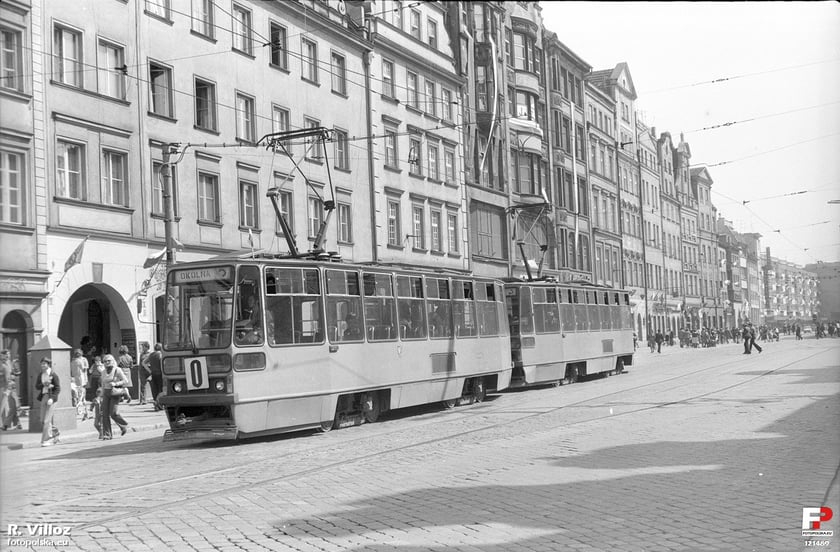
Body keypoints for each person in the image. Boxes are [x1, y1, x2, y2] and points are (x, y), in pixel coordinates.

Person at [100, 354, 131, 439]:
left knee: (113, 413)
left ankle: (124, 425)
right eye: (105, 361)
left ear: (113, 361)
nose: (107, 363)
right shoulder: (103, 372)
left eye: (108, 361)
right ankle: (107, 434)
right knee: (104, 414)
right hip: (106, 393)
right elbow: (103, 384)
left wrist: (116, 383)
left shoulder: (117, 370)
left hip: (115, 393)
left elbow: (126, 380)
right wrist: (102, 395)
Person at [35, 357, 61, 446]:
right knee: (43, 420)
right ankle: (55, 433)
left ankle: (45, 440)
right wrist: (43, 384)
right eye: (41, 364)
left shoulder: (53, 375)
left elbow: (58, 388)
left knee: (47, 420)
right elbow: (37, 386)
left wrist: (52, 398)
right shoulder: (40, 375)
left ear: (48, 364)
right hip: (44, 396)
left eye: (44, 364)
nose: (42, 365)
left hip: (51, 398)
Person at [1, 350, 21, 430]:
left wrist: (14, 375)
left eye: (8, 354)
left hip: (11, 387)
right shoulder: (2, 364)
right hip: (5, 387)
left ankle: (6, 425)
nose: (7, 356)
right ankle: (17, 423)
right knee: (12, 406)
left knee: (13, 406)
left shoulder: (10, 363)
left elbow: (16, 373)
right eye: (5, 355)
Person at [70, 349, 88, 419]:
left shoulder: (72, 361)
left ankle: (77, 408)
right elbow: (83, 369)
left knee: (76, 393)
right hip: (81, 378)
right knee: (82, 393)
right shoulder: (80, 361)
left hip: (74, 378)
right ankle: (81, 407)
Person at [148, 343, 164, 411]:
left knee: (155, 390)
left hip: (153, 374)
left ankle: (157, 404)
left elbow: (143, 363)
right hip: (160, 373)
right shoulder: (160, 354)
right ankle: (158, 403)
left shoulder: (151, 355)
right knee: (161, 389)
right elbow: (161, 364)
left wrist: (150, 370)